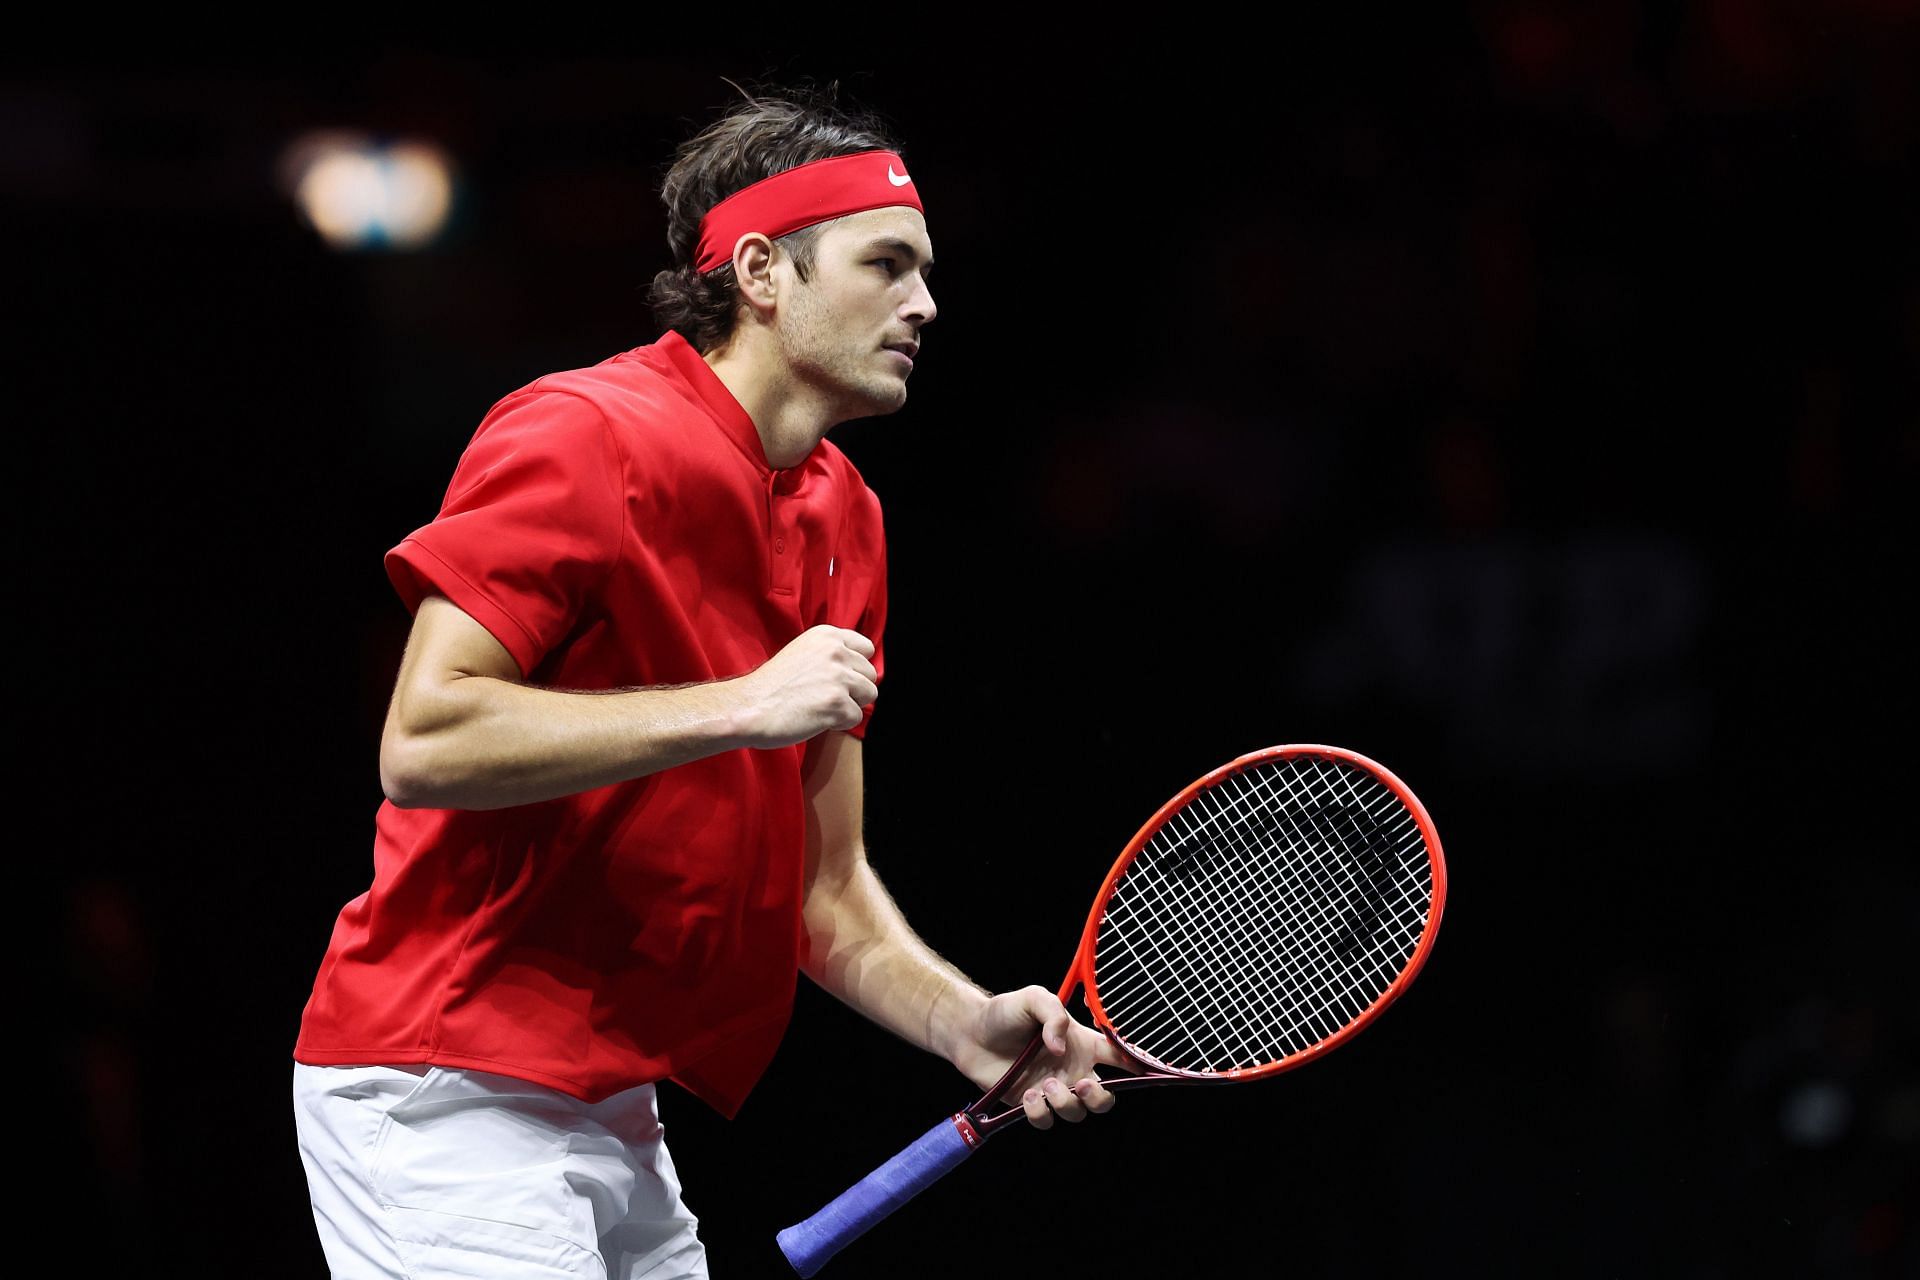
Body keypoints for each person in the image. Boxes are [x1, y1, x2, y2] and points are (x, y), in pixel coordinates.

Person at [290, 83, 1126, 1280]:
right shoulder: (584, 432)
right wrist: (743, 701)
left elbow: (822, 885)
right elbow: (423, 739)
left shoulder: (849, 514)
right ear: (760, 272)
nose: (926, 303)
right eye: (886, 263)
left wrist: (960, 1021)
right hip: (443, 1086)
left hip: (614, 1101)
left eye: (927, 269)